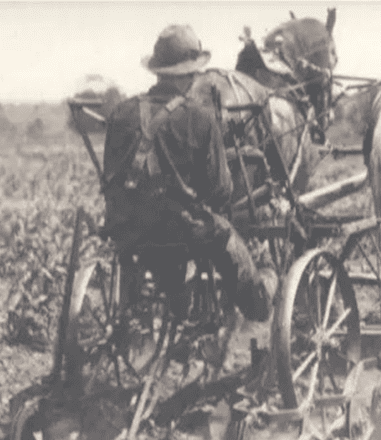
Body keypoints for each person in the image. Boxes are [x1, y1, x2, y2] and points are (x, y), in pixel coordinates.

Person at [100, 25, 273, 327]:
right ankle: (260, 303)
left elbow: (111, 176)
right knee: (228, 238)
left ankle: (173, 305)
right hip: (178, 233)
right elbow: (220, 190)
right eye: (194, 72)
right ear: (187, 74)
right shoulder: (199, 118)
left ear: (158, 71)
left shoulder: (122, 113)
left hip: (125, 225)